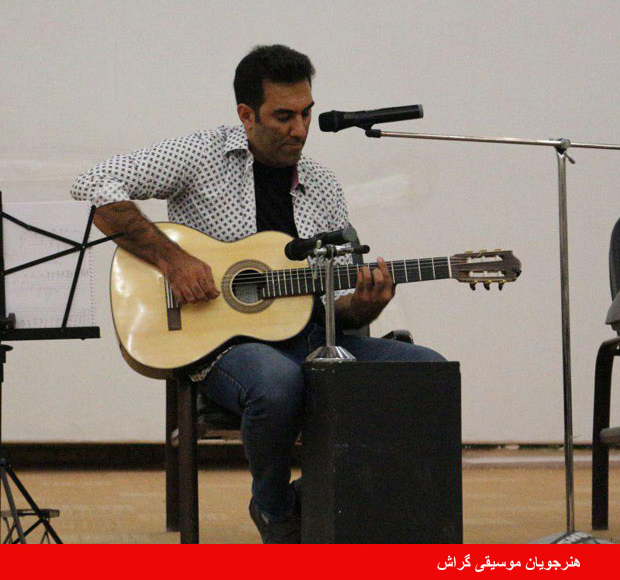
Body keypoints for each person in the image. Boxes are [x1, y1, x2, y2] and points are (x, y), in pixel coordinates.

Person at [71, 44, 444, 543]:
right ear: (246, 115)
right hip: (221, 345)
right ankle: (274, 509)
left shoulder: (323, 186)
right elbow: (94, 184)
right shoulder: (202, 155)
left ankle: (330, 496)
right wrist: (173, 260)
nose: (300, 130)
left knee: (426, 370)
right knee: (277, 380)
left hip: (309, 336)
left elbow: (332, 305)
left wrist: (361, 305)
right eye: (283, 116)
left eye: (306, 113)